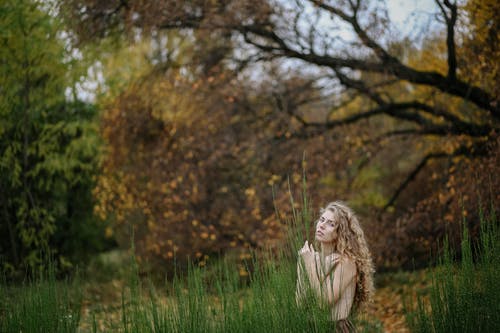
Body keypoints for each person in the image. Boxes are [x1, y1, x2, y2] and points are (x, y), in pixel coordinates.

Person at [296, 201, 374, 333]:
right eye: (322, 220)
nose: (322, 225)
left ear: (341, 233)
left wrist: (310, 267)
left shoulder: (347, 262)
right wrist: (323, 269)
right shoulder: (308, 257)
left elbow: (323, 301)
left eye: (331, 224)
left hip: (335, 328)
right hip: (309, 328)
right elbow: (300, 302)